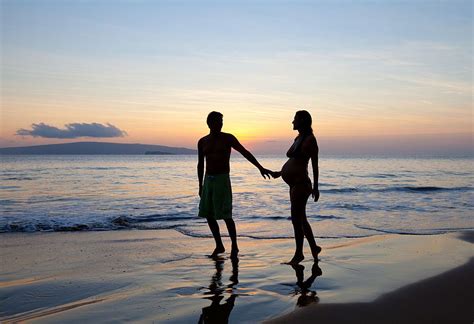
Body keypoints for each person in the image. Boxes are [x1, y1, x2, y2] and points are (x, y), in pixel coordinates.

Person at [198, 111, 271, 258]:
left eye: (222, 121)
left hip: (222, 179)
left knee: (226, 215)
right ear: (210, 123)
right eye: (218, 121)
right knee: (208, 214)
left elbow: (245, 152)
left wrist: (260, 167)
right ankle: (219, 245)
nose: (221, 124)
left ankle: (234, 246)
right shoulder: (202, 141)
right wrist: (200, 185)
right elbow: (200, 164)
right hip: (208, 180)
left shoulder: (228, 138)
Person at [270, 110, 322, 264]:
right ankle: (314, 247)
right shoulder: (298, 138)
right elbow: (295, 162)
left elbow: (314, 164)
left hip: (302, 184)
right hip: (294, 184)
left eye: (295, 119)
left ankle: (299, 254)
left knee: (296, 219)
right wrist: (280, 173)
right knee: (301, 219)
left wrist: (316, 187)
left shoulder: (310, 140)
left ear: (303, 121)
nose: (292, 122)